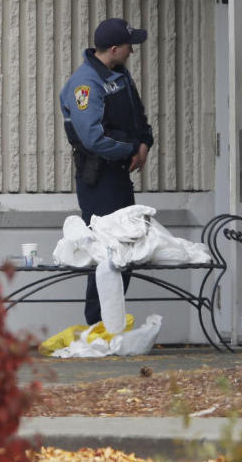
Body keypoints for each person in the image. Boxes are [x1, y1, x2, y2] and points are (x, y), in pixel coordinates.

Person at [59, 17, 155, 325]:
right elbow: (93, 139)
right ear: (114, 48)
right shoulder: (86, 83)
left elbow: (136, 116)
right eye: (129, 47)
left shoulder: (119, 75)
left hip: (119, 175)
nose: (132, 52)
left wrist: (144, 142)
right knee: (107, 251)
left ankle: (111, 323)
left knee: (126, 249)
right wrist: (130, 149)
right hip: (99, 179)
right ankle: (97, 323)